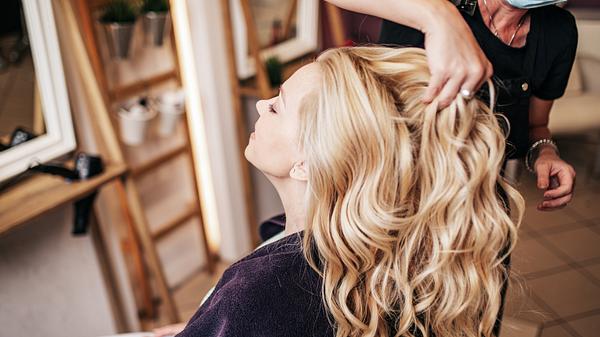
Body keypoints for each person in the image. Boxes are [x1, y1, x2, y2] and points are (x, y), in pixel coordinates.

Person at [172, 46, 524, 337]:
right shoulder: (395, 257)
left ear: (307, 163)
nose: (263, 105)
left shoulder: (255, 293)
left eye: (278, 106)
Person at [326, 0, 576, 212]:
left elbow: (537, 125)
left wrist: (545, 152)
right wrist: (439, 16)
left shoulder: (557, 32)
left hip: (476, 210)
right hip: (383, 198)